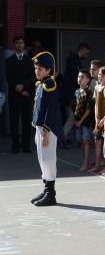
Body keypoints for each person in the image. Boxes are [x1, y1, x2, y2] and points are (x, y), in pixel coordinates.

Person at [30, 51, 64, 206]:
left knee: (49, 160)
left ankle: (51, 194)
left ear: (49, 70)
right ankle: (46, 189)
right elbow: (38, 109)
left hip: (48, 130)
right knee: (42, 159)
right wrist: (37, 130)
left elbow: (50, 111)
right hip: (41, 129)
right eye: (36, 68)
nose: (37, 71)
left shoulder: (50, 85)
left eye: (40, 69)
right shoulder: (41, 84)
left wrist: (45, 132)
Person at [7, 36, 35, 154]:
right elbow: (8, 77)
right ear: (14, 45)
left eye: (21, 43)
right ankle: (15, 145)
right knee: (14, 122)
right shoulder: (8, 61)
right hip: (14, 95)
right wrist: (17, 88)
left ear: (24, 45)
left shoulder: (30, 61)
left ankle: (26, 145)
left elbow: (33, 77)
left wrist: (23, 87)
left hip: (27, 95)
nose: (19, 45)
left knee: (26, 121)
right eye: (17, 43)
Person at [61, 42, 91, 146]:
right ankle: (62, 138)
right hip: (71, 94)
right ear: (82, 50)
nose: (86, 56)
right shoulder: (74, 62)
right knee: (72, 117)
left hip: (69, 94)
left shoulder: (74, 61)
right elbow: (75, 78)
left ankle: (64, 137)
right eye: (86, 54)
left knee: (71, 116)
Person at [71, 69, 95, 171]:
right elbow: (73, 106)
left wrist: (81, 121)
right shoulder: (77, 91)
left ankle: (86, 162)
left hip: (85, 122)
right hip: (77, 120)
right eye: (78, 77)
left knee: (86, 141)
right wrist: (75, 119)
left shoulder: (89, 92)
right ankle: (86, 161)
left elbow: (89, 109)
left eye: (82, 77)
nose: (79, 79)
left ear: (88, 80)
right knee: (80, 140)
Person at [88, 66, 105, 173]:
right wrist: (97, 119)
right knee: (97, 142)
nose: (99, 76)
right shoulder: (97, 87)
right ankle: (97, 164)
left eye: (101, 74)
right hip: (98, 118)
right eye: (99, 74)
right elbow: (96, 105)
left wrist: (104, 119)